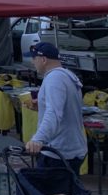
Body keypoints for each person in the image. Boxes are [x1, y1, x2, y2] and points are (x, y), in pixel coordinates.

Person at [25, 42, 87, 176]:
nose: (32, 62)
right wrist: (41, 105)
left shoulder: (54, 79)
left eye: (34, 59)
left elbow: (53, 113)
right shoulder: (66, 75)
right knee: (67, 194)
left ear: (43, 59)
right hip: (71, 148)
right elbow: (63, 107)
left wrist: (38, 139)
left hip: (59, 152)